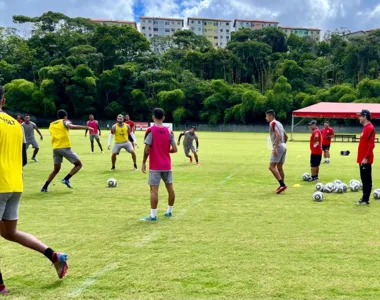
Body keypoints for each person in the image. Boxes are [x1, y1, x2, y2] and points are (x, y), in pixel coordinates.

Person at [0, 86, 68, 295]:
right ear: (3, 101)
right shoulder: (16, 124)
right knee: (9, 233)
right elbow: (23, 159)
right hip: (14, 184)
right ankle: (54, 255)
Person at [41, 110, 93, 192]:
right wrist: (86, 127)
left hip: (55, 148)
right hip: (64, 147)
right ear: (65, 116)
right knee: (78, 165)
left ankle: (44, 187)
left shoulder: (52, 124)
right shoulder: (65, 121)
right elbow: (71, 126)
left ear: (58, 116)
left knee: (56, 170)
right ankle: (66, 179)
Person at [141, 108, 178, 222]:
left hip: (155, 166)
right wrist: (165, 152)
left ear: (153, 117)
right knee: (170, 189)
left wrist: (143, 162)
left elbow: (147, 149)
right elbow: (175, 149)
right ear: (163, 117)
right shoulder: (169, 132)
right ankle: (169, 211)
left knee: (154, 190)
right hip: (167, 165)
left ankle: (153, 216)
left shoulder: (151, 131)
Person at [265, 110, 288, 194]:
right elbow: (286, 136)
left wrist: (275, 148)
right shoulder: (280, 124)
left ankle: (282, 184)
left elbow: (277, 135)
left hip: (278, 146)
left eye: (267, 116)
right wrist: (283, 145)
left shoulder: (272, 123)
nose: (266, 118)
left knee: (271, 167)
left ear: (271, 116)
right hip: (283, 146)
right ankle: (282, 185)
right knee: (279, 167)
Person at [356, 109, 376, 205]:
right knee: (363, 179)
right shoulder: (365, 127)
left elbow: (371, 145)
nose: (359, 118)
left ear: (365, 116)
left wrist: (366, 158)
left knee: (367, 179)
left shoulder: (370, 128)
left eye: (360, 116)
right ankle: (364, 197)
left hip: (366, 159)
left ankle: (365, 199)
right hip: (361, 158)